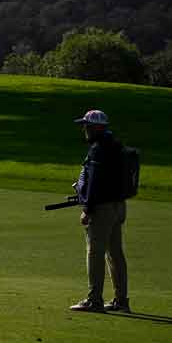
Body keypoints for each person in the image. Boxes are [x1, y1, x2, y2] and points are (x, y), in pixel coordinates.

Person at [68, 109, 131, 313]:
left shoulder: (98, 149)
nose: (84, 130)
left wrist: (87, 208)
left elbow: (95, 182)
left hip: (102, 208)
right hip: (118, 206)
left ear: (97, 128)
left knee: (95, 252)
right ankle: (121, 301)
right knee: (115, 253)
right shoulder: (116, 146)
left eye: (86, 126)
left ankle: (94, 299)